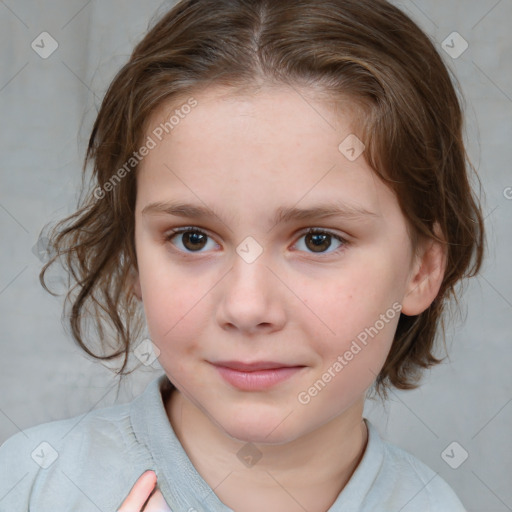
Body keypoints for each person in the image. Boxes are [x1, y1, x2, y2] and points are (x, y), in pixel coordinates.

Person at [0, 0, 485, 510]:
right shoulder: (30, 485)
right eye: (192, 238)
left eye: (318, 240)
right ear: (131, 257)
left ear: (422, 268)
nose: (247, 307)